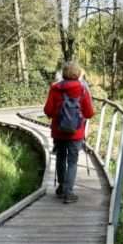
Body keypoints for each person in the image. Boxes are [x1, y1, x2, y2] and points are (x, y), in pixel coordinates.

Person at [44, 61, 94, 204]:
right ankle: (69, 192)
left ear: (64, 73)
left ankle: (61, 187)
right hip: (75, 133)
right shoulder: (82, 89)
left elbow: (48, 110)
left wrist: (57, 114)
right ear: (78, 73)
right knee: (72, 161)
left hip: (58, 131)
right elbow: (89, 113)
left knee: (60, 157)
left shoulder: (55, 88)